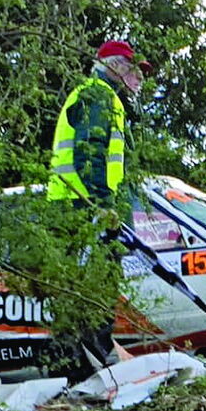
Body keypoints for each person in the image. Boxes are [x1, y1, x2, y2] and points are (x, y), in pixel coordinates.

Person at [47, 40, 152, 369]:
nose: (140, 81)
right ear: (118, 66)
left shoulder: (101, 96)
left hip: (78, 208)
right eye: (136, 72)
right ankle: (81, 371)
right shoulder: (99, 96)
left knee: (84, 292)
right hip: (83, 209)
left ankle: (78, 369)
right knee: (93, 292)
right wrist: (103, 205)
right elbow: (89, 152)